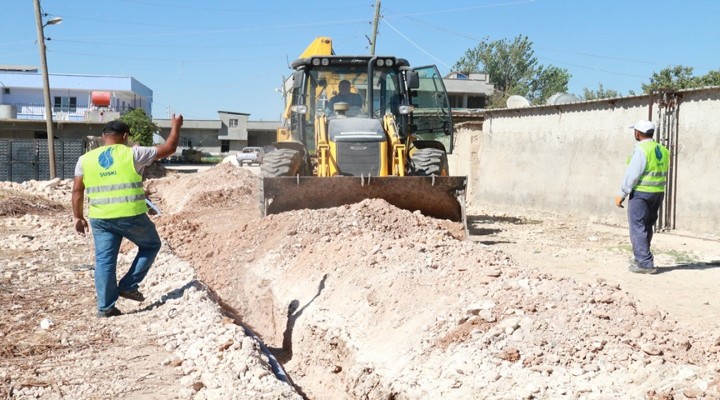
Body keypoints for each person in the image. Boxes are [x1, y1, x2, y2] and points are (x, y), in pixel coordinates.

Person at [72, 114, 183, 317]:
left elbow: (77, 190)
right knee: (151, 245)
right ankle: (128, 285)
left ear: (103, 136)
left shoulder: (85, 159)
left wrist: (78, 217)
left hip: (100, 218)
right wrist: (175, 126)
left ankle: (105, 308)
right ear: (125, 136)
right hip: (130, 215)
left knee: (104, 261)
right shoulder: (133, 153)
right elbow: (169, 149)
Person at [614, 119, 670, 274]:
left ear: (637, 133)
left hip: (641, 193)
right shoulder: (662, 150)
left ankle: (644, 264)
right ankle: (641, 257)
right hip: (658, 193)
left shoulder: (641, 150)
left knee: (637, 227)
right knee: (646, 226)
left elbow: (633, 174)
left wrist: (622, 193)